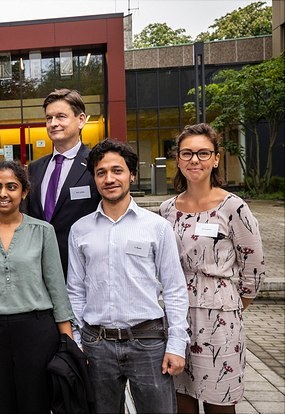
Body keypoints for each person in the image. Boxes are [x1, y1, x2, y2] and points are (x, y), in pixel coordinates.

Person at [66, 139, 189, 413]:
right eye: (101, 172)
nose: (109, 179)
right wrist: (76, 341)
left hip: (148, 343)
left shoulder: (157, 227)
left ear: (131, 174)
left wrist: (177, 344)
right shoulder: (80, 230)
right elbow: (75, 290)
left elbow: (174, 288)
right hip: (96, 345)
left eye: (117, 171)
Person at [159, 124, 266, 414]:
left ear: (216, 159)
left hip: (220, 320)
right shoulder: (168, 209)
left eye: (203, 153)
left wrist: (229, 304)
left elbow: (253, 268)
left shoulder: (234, 207)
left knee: (220, 401)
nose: (195, 160)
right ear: (178, 160)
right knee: (182, 398)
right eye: (187, 153)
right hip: (177, 315)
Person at [0, 160, 74, 413]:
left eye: (11, 187)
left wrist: (68, 347)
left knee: (36, 405)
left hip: (36, 332)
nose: (3, 194)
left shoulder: (43, 231)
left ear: (24, 192)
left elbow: (57, 291)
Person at [28, 88, 100, 277]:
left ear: (81, 120)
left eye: (61, 116)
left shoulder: (97, 165)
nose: (53, 123)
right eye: (49, 118)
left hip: (84, 270)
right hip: (40, 272)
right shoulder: (34, 169)